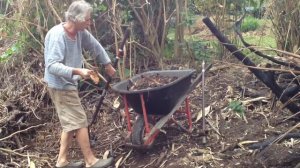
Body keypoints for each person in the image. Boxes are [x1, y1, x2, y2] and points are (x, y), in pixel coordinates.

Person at [44, 0, 115, 167]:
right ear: (76, 19)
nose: (90, 23)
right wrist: (78, 71)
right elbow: (52, 65)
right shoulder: (58, 36)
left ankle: (61, 161)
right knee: (80, 121)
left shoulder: (80, 32)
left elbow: (95, 45)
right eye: (87, 19)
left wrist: (107, 64)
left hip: (68, 84)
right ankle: (90, 160)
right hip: (60, 85)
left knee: (71, 122)